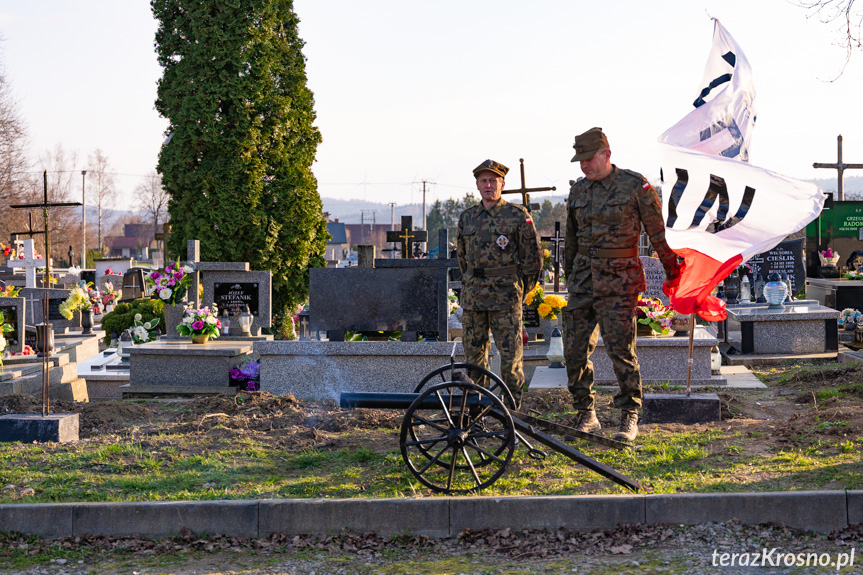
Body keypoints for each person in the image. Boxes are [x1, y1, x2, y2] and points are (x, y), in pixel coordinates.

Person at [562, 128, 680, 441]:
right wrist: (570, 277)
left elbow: (658, 234)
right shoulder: (577, 192)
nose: (585, 165)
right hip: (583, 281)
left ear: (606, 154)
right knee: (573, 349)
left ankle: (629, 415)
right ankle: (586, 413)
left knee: (621, 352)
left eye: (589, 159)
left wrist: (673, 272)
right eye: (580, 161)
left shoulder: (634, 185)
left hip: (620, 281)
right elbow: (571, 242)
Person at [457, 159, 543, 408]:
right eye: (483, 181)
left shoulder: (517, 215)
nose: (488, 185)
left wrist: (520, 289)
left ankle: (512, 411)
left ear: (502, 184)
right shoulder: (467, 217)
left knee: (511, 359)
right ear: (477, 185)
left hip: (506, 297)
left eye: (493, 181)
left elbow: (532, 260)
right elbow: (463, 259)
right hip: (474, 298)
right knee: (474, 359)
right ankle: (477, 409)